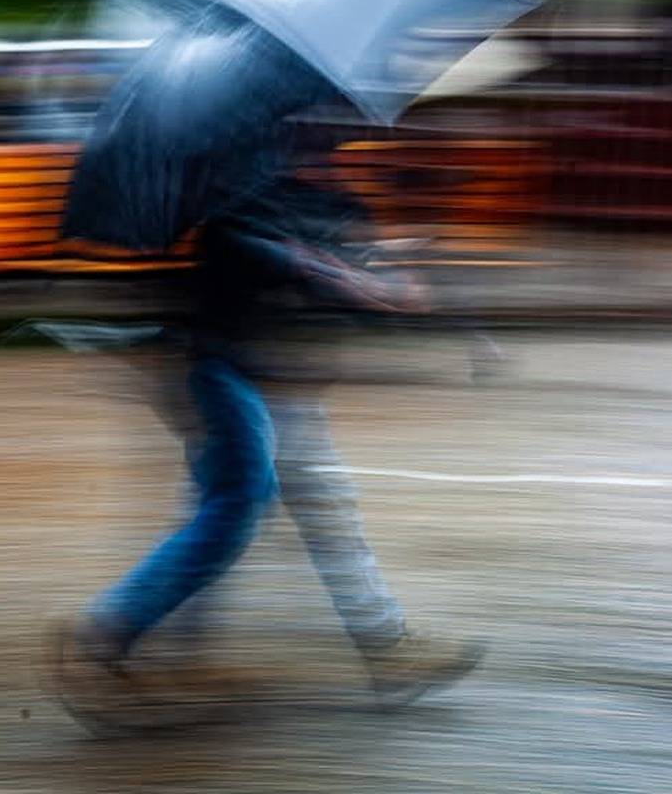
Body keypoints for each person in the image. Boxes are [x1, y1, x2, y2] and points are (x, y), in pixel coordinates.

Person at [45, 168, 483, 727]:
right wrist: (345, 277)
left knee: (310, 511)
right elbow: (247, 249)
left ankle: (379, 647)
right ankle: (107, 637)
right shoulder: (234, 185)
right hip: (227, 372)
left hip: (272, 375)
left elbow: (320, 260)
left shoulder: (295, 183)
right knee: (234, 509)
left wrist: (372, 274)